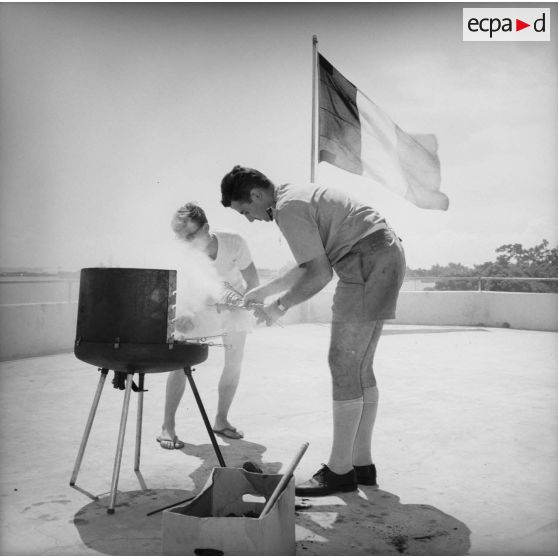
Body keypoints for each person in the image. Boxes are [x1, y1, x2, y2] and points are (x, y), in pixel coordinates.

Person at [220, 165, 406, 496]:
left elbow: (319, 275)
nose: (249, 219)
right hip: (385, 253)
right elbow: (309, 264)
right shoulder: (295, 195)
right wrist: (263, 293)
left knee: (343, 363)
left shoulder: (287, 209)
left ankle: (339, 472)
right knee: (360, 366)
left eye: (246, 210)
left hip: (364, 260)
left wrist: (278, 307)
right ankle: (362, 465)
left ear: (257, 195)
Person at [157, 202, 259, 449]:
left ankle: (221, 420)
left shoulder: (235, 242)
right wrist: (183, 313)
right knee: (181, 365)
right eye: (183, 237)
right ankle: (167, 427)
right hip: (196, 309)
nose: (188, 241)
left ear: (206, 228)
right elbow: (176, 289)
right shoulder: (182, 252)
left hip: (234, 308)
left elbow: (253, 280)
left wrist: (239, 303)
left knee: (234, 364)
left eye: (192, 235)